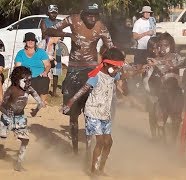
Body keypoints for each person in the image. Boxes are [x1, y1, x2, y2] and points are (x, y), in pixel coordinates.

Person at [45, 1, 114, 154]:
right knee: (72, 113)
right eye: (89, 14)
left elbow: (111, 48)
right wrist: (68, 34)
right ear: (83, 14)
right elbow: (49, 31)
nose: (92, 18)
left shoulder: (101, 27)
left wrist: (116, 64)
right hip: (74, 69)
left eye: (95, 15)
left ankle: (90, 147)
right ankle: (75, 149)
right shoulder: (73, 20)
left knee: (91, 110)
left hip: (91, 69)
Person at [61, 48, 124, 176]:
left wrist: (140, 69)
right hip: (93, 112)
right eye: (115, 67)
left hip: (105, 113)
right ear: (105, 64)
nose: (117, 70)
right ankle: (93, 170)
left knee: (109, 142)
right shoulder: (96, 76)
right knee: (100, 142)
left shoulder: (114, 74)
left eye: (118, 68)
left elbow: (125, 74)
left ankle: (101, 168)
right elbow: (83, 90)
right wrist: (70, 103)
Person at [0, 66, 45, 171]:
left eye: (30, 80)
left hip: (20, 118)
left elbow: (40, 102)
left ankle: (18, 163)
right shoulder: (11, 90)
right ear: (17, 80)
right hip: (7, 117)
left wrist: (36, 111)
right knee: (2, 136)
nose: (29, 83)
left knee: (25, 140)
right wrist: (6, 112)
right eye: (26, 81)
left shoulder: (29, 89)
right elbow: (1, 106)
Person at [145, 33, 184, 141]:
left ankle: (173, 142)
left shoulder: (176, 57)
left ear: (170, 45)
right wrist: (150, 94)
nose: (162, 48)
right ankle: (160, 144)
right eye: (160, 45)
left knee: (176, 120)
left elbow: (179, 64)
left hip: (176, 94)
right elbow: (146, 80)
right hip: (160, 95)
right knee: (160, 121)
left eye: (165, 45)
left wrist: (158, 63)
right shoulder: (152, 60)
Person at [15, 32, 51, 105]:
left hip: (39, 76)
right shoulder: (20, 53)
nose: (30, 42)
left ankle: (42, 102)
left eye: (32, 40)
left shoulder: (41, 52)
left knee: (45, 80)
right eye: (28, 40)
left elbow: (48, 65)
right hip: (26, 78)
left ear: (35, 42)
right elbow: (17, 67)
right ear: (25, 42)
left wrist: (45, 72)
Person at [40, 4, 63, 97]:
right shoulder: (44, 21)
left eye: (55, 13)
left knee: (57, 68)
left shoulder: (59, 22)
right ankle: (44, 88)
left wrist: (57, 35)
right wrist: (56, 34)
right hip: (47, 46)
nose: (54, 14)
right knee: (46, 66)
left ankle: (54, 91)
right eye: (52, 12)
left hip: (57, 46)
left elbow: (62, 35)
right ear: (48, 13)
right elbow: (45, 33)